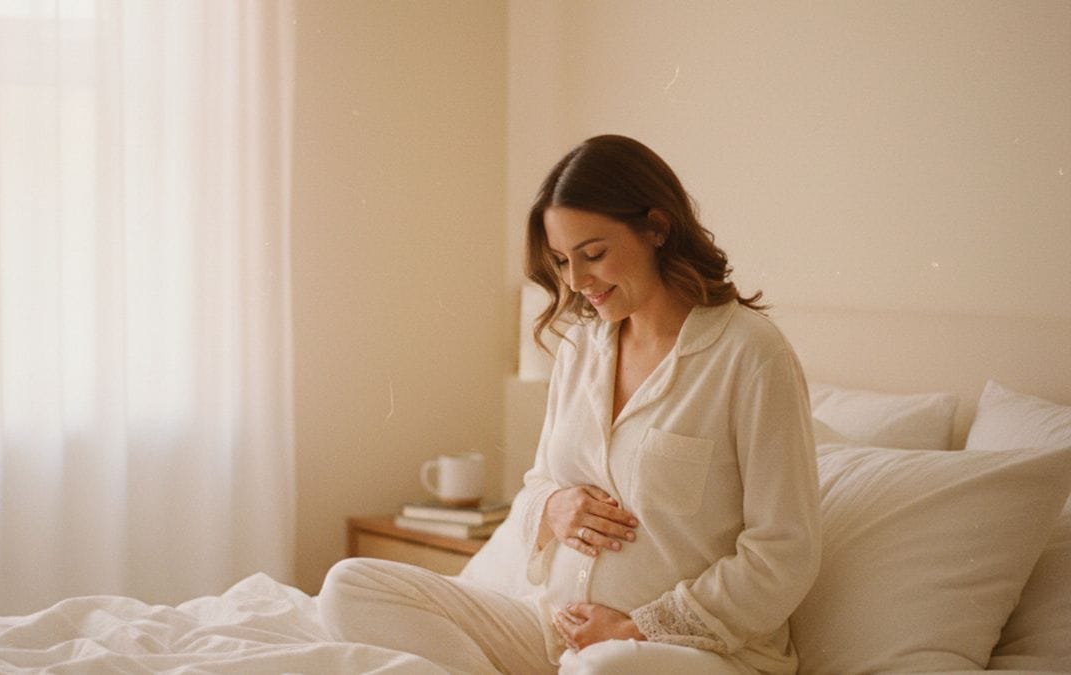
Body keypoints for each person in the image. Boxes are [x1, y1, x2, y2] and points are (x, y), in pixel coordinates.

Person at [318, 135, 821, 675]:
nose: (577, 283)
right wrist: (554, 506)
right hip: (551, 632)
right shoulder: (582, 347)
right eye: (561, 261)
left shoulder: (749, 353)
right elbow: (540, 482)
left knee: (598, 670)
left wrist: (640, 627)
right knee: (349, 587)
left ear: (657, 227)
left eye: (594, 254)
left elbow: (783, 552)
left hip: (691, 652)